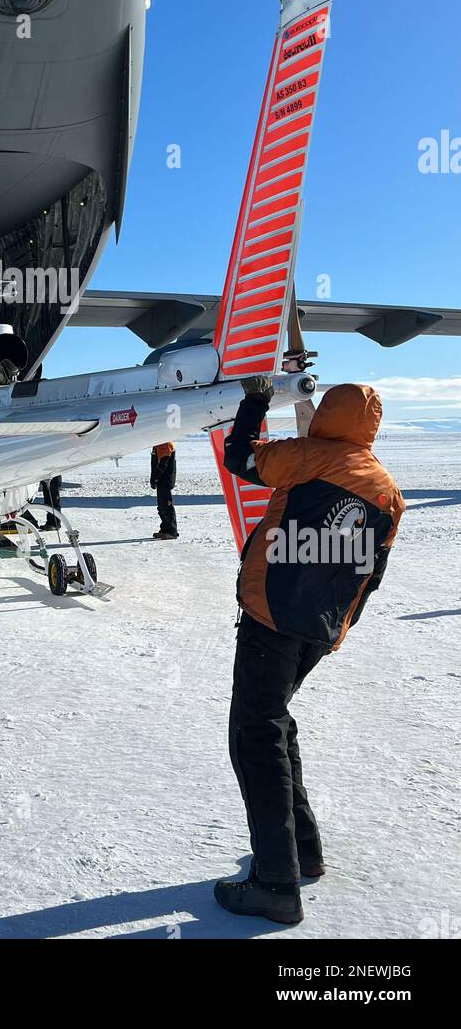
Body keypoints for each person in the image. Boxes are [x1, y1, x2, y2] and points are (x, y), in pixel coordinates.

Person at [214, 379, 404, 925]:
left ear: (327, 415)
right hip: (316, 629)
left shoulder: (306, 457)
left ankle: (275, 883)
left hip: (270, 615)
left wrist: (253, 402)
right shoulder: (387, 489)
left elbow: (240, 459)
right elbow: (373, 573)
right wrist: (335, 623)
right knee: (274, 723)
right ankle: (302, 853)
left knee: (255, 736)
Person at [150, 443, 178, 540]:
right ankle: (165, 529)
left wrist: (155, 478)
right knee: (161, 506)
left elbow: (163, 463)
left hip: (165, 479)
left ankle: (172, 531)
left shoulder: (165, 443)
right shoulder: (159, 443)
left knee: (166, 506)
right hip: (161, 479)